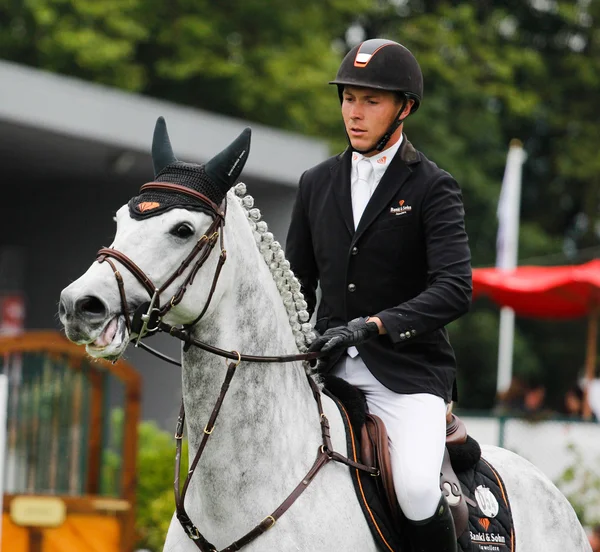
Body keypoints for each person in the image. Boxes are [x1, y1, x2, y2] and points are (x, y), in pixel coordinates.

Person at [286, 38, 472, 552]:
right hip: (325, 371)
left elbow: (455, 289)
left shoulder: (434, 186)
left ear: (404, 108)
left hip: (406, 374)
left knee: (415, 489)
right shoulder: (314, 182)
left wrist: (376, 324)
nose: (355, 113)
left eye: (371, 101)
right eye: (348, 99)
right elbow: (296, 285)